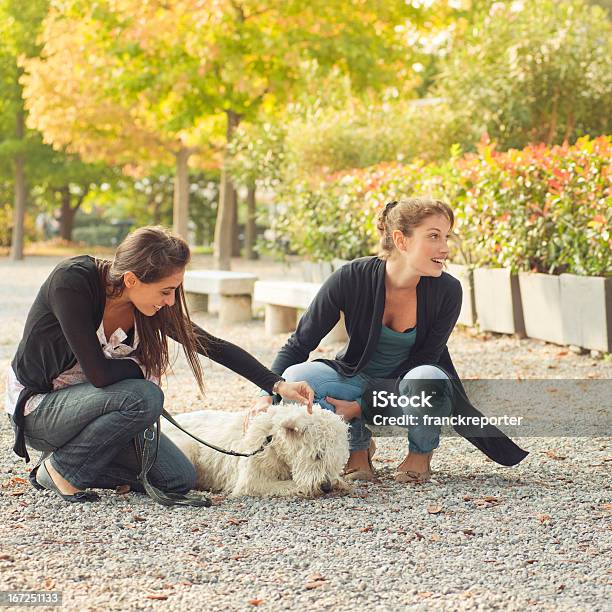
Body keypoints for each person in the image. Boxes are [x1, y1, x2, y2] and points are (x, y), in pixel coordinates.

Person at [6, 226, 313, 504]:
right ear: (131, 279)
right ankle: (61, 469)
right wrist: (140, 371)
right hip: (41, 411)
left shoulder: (146, 304)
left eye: (175, 291)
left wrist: (277, 384)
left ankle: (73, 461)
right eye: (166, 291)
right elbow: (99, 374)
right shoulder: (72, 283)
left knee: (178, 478)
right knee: (146, 395)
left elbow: (211, 345)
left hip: (99, 414)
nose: (170, 301)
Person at [249, 198, 528, 483]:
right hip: (354, 378)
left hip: (405, 391)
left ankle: (420, 455)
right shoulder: (351, 278)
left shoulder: (448, 290)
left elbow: (426, 360)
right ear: (401, 240)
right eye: (433, 236)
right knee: (297, 375)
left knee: (429, 377)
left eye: (446, 237)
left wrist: (361, 406)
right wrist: (266, 394)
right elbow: (299, 344)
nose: (445, 248)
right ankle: (357, 449)